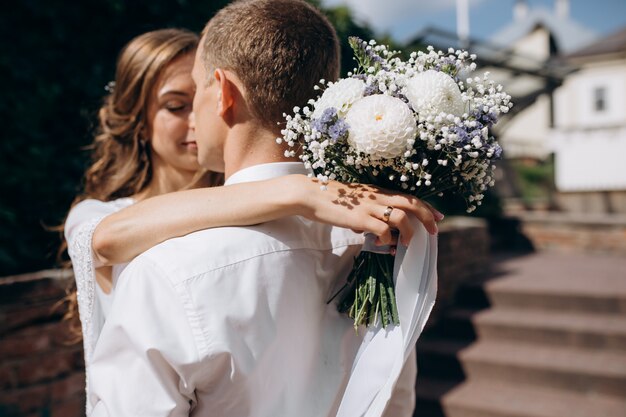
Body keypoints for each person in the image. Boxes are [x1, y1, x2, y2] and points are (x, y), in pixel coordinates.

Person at [65, 25, 440, 417]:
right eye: (176, 106)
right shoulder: (98, 214)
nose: (195, 117)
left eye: (200, 98)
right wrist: (298, 191)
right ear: (139, 120)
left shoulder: (319, 216)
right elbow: (106, 239)